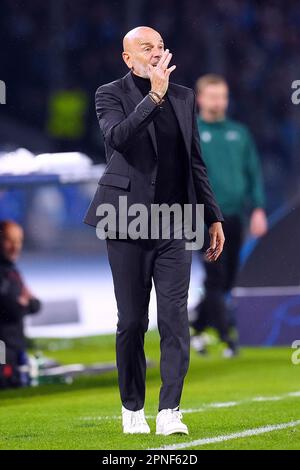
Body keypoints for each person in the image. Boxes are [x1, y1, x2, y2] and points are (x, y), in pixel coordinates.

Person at [84, 27, 225, 435]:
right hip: (126, 219)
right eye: (147, 48)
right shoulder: (109, 93)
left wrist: (212, 216)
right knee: (131, 320)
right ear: (128, 58)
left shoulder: (183, 96)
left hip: (175, 221)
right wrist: (154, 96)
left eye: (161, 46)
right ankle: (132, 408)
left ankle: (169, 412)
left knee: (175, 319)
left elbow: (195, 159)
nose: (156, 52)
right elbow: (117, 138)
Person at [190, 74, 268, 357]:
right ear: (199, 99)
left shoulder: (239, 133)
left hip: (235, 216)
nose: (219, 102)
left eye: (222, 96)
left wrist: (258, 208)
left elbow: (253, 173)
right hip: (204, 218)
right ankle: (227, 337)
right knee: (215, 274)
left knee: (227, 278)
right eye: (212, 96)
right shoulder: (192, 132)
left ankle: (197, 327)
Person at [0, 220, 41, 389]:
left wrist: (23, 303)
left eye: (19, 241)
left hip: (14, 348)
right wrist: (22, 303)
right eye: (10, 240)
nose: (15, 247)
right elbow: (11, 307)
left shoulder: (12, 271)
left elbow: (35, 304)